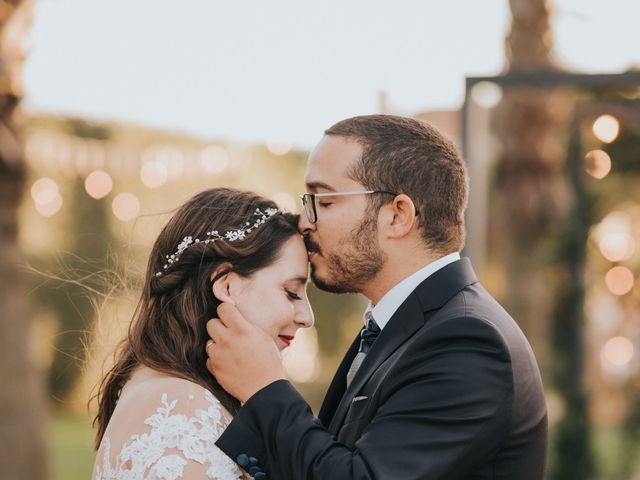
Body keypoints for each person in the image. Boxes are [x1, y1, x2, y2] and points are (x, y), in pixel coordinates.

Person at [205, 115, 548, 479]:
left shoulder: (468, 341)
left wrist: (264, 387)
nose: (305, 222)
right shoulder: (399, 327)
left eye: (323, 200)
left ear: (398, 216)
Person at [91, 188, 314, 480]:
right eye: (292, 292)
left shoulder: (164, 387)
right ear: (227, 286)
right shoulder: (180, 405)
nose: (307, 317)